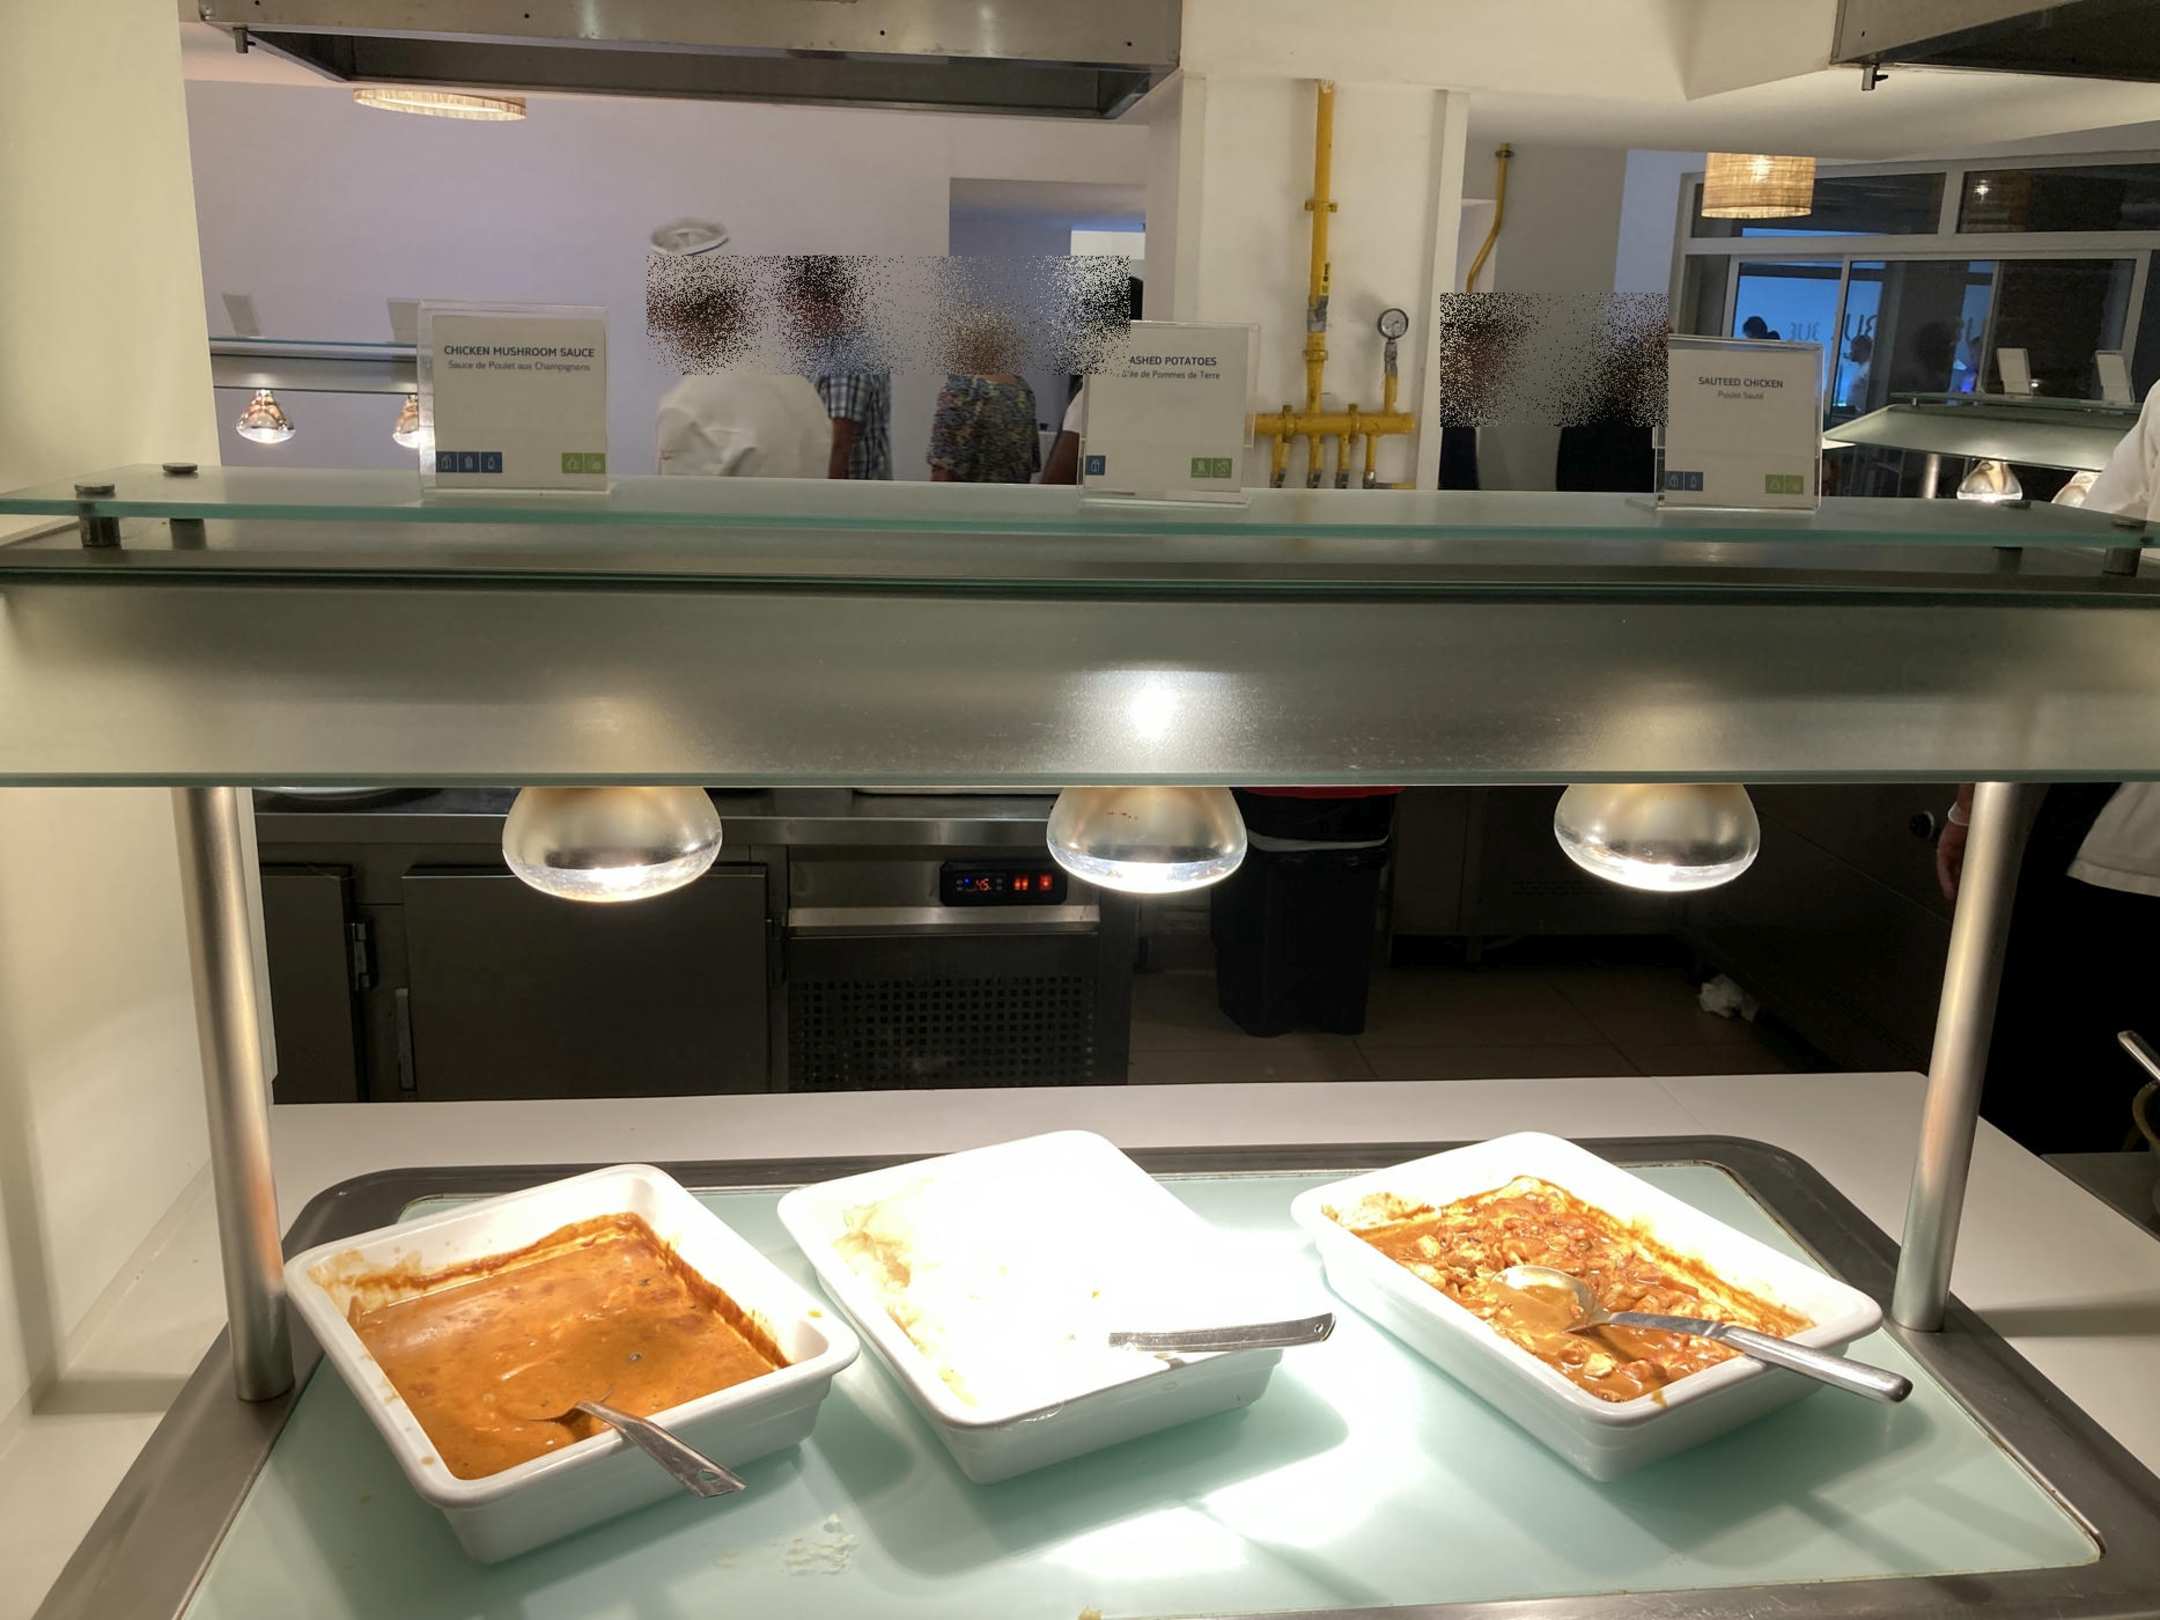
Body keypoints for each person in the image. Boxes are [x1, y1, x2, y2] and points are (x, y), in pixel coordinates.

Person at [1939, 378, 2160, 1152]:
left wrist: (1973, 801)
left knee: (2037, 1133)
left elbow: (2075, 601)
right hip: (2121, 835)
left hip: (2122, 853)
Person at [1211, 788, 1402, 1037]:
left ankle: (1268, 1013)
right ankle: (1340, 1013)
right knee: (1347, 912)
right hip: (1363, 804)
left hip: (1274, 801)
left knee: (1269, 916)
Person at [647, 224, 832, 478]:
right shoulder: (801, 388)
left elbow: (678, 503)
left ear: (668, 312)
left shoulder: (686, 409)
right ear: (739, 303)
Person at [783, 256, 892, 480]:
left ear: (824, 303)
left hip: (849, 495)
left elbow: (838, 444)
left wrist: (825, 498)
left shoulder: (845, 356)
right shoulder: (841, 347)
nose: (793, 316)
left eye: (797, 305)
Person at [928, 314, 1040, 483]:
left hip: (968, 499)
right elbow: (1029, 465)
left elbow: (942, 472)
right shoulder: (1023, 391)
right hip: (1014, 498)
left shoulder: (962, 391)